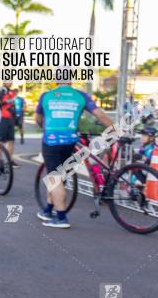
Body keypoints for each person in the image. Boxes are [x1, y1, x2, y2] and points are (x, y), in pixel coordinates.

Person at [34, 81, 114, 229]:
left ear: (56, 79)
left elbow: (38, 118)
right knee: (59, 175)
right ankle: (47, 210)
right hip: (70, 141)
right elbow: (100, 115)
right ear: (70, 79)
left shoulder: (46, 96)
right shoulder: (81, 96)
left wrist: (44, 127)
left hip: (51, 141)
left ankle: (61, 218)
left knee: (55, 178)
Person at [0, 83, 20, 167]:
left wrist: (16, 119)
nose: (9, 81)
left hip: (10, 119)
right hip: (1, 119)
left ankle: (9, 161)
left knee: (11, 140)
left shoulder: (12, 92)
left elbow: (13, 106)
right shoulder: (0, 91)